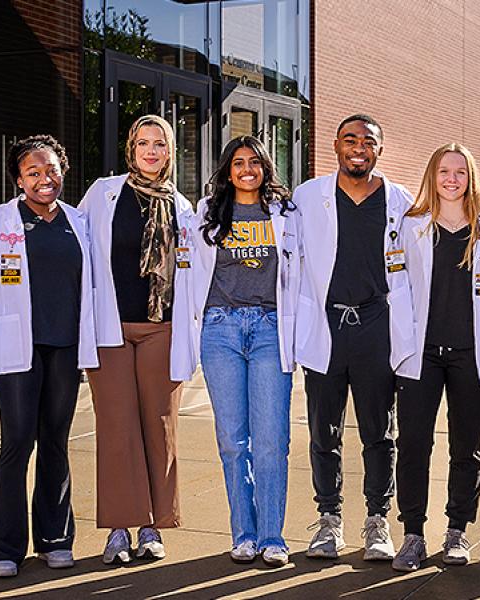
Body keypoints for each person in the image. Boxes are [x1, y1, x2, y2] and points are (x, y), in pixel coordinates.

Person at [293, 114, 414, 560]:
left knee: (379, 432)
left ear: (379, 150)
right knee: (323, 431)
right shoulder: (308, 197)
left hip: (376, 326)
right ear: (335, 147)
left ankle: (377, 521)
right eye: (350, 139)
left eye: (368, 141)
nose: (358, 147)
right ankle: (329, 519)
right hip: (325, 324)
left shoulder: (399, 200)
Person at [78, 114, 198, 564]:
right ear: (131, 148)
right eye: (143, 143)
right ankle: (118, 529)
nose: (151, 151)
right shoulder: (104, 194)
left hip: (162, 330)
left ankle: (153, 526)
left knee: (159, 428)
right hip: (111, 328)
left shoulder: (183, 207)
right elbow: (70, 232)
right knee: (116, 429)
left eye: (160, 144)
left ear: (170, 152)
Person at [0, 135, 98, 577]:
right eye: (34, 173)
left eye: (51, 171)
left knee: (55, 443)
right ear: (18, 179)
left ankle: (55, 538)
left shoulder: (78, 221)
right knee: (16, 443)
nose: (45, 180)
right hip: (18, 350)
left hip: (65, 347)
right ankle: (5, 547)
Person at [391, 144, 480, 572]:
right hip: (421, 355)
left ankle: (457, 529)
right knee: (413, 445)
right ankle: (413, 534)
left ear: (471, 177)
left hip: (472, 355)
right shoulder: (411, 226)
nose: (451, 179)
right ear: (431, 176)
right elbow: (396, 288)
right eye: (443, 171)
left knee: (466, 448)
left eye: (460, 171)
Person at [193, 136, 300, 567]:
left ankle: (273, 535)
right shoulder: (207, 212)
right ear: (227, 170)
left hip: (271, 329)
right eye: (238, 163)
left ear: (266, 167)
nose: (247, 170)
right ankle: (244, 533)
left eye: (255, 162)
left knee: (272, 439)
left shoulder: (285, 212)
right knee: (233, 441)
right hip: (220, 329)